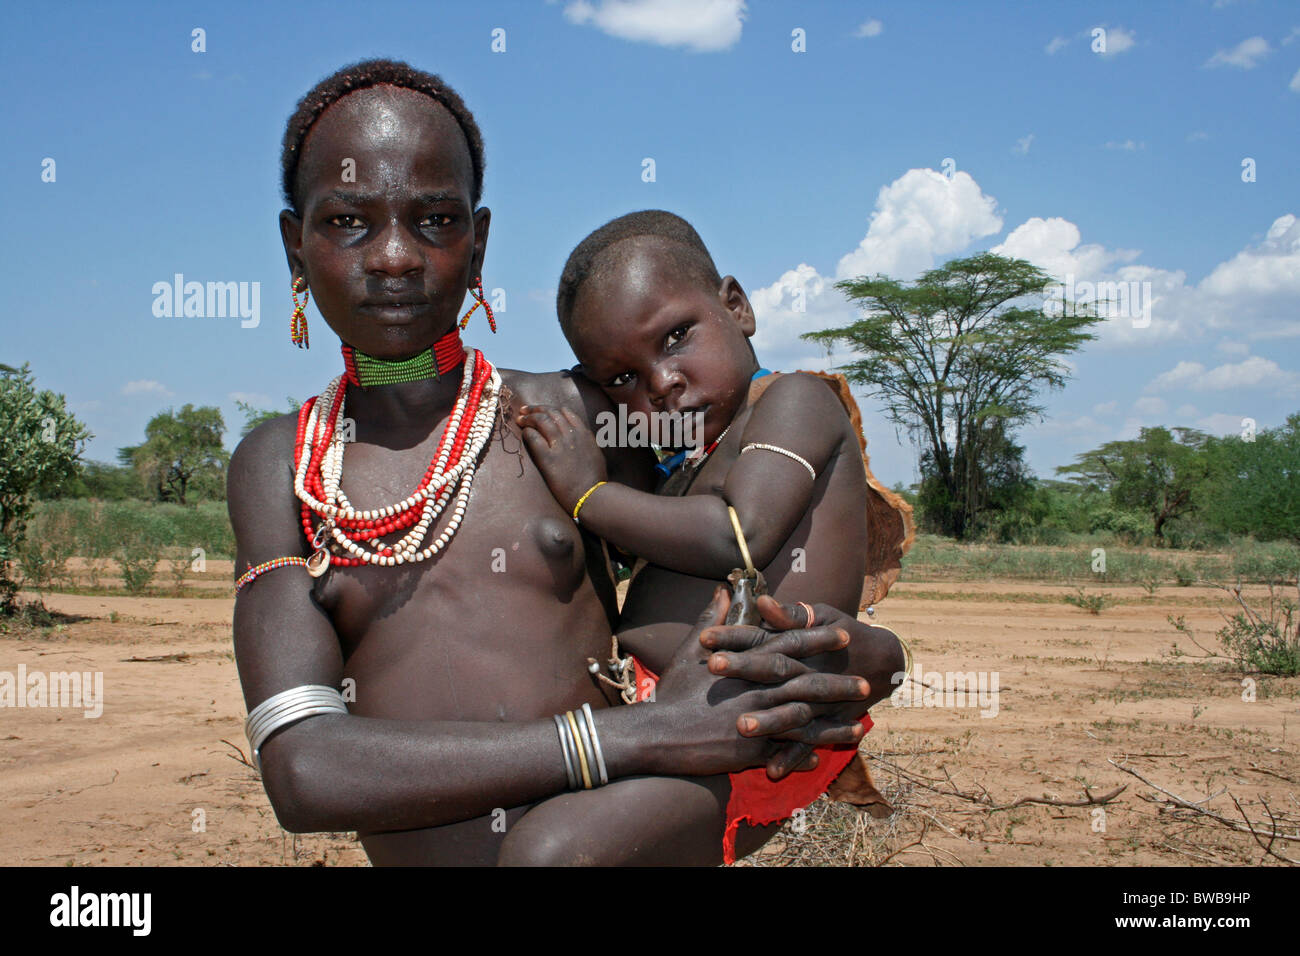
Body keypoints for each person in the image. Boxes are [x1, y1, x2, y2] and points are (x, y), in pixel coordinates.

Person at [228, 58, 905, 866]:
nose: (396, 257)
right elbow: (304, 770)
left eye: (435, 220)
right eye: (348, 222)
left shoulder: (572, 414)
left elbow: (747, 531)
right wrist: (639, 735)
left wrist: (868, 655)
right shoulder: (283, 466)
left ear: (478, 247)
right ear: (294, 248)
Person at [516, 210, 915, 862]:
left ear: (737, 307)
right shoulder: (687, 459)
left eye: (675, 337)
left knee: (555, 854)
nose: (661, 383)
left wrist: (590, 495)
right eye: (622, 379)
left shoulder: (794, 403)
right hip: (667, 719)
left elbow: (741, 535)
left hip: (748, 733)